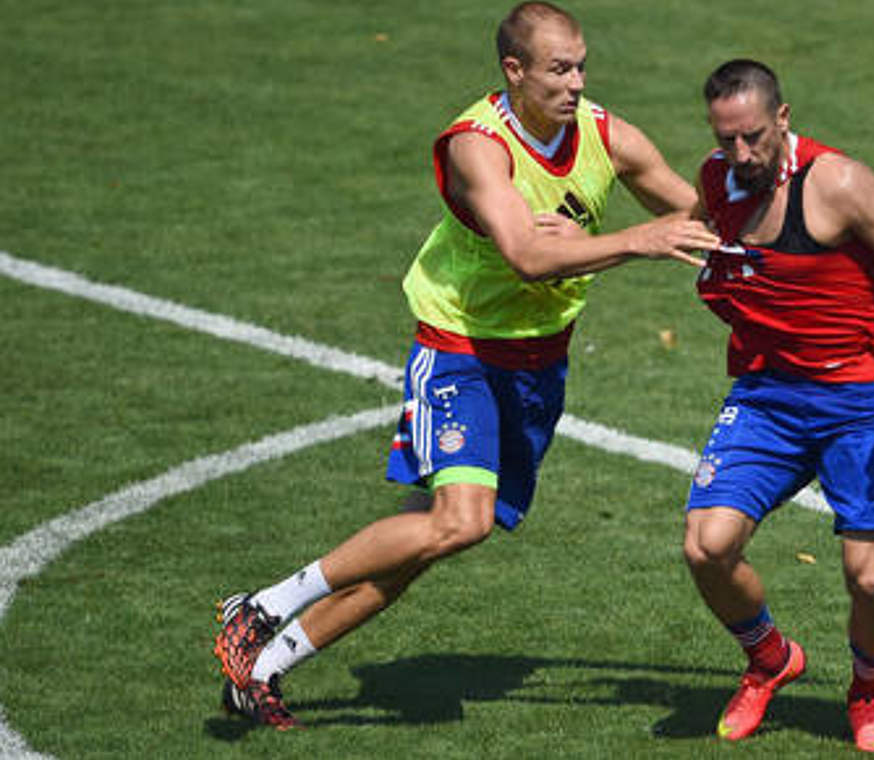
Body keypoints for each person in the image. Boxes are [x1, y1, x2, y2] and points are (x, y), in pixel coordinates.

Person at [212, 1, 719, 730]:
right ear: (513, 70)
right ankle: (261, 607)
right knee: (461, 522)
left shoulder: (609, 137)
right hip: (463, 350)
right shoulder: (478, 146)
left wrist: (835, 252)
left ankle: (261, 668)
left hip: (539, 365)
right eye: (558, 69)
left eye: (580, 65)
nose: (576, 83)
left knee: (425, 542)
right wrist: (637, 239)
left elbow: (705, 217)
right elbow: (529, 254)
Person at [681, 59, 874, 752]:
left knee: (868, 575)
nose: (741, 153)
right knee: (706, 548)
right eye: (726, 138)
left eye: (754, 137)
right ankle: (770, 660)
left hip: (860, 397)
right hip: (768, 396)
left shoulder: (840, 183)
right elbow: (681, 233)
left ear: (785, 118)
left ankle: (865, 692)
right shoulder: (718, 177)